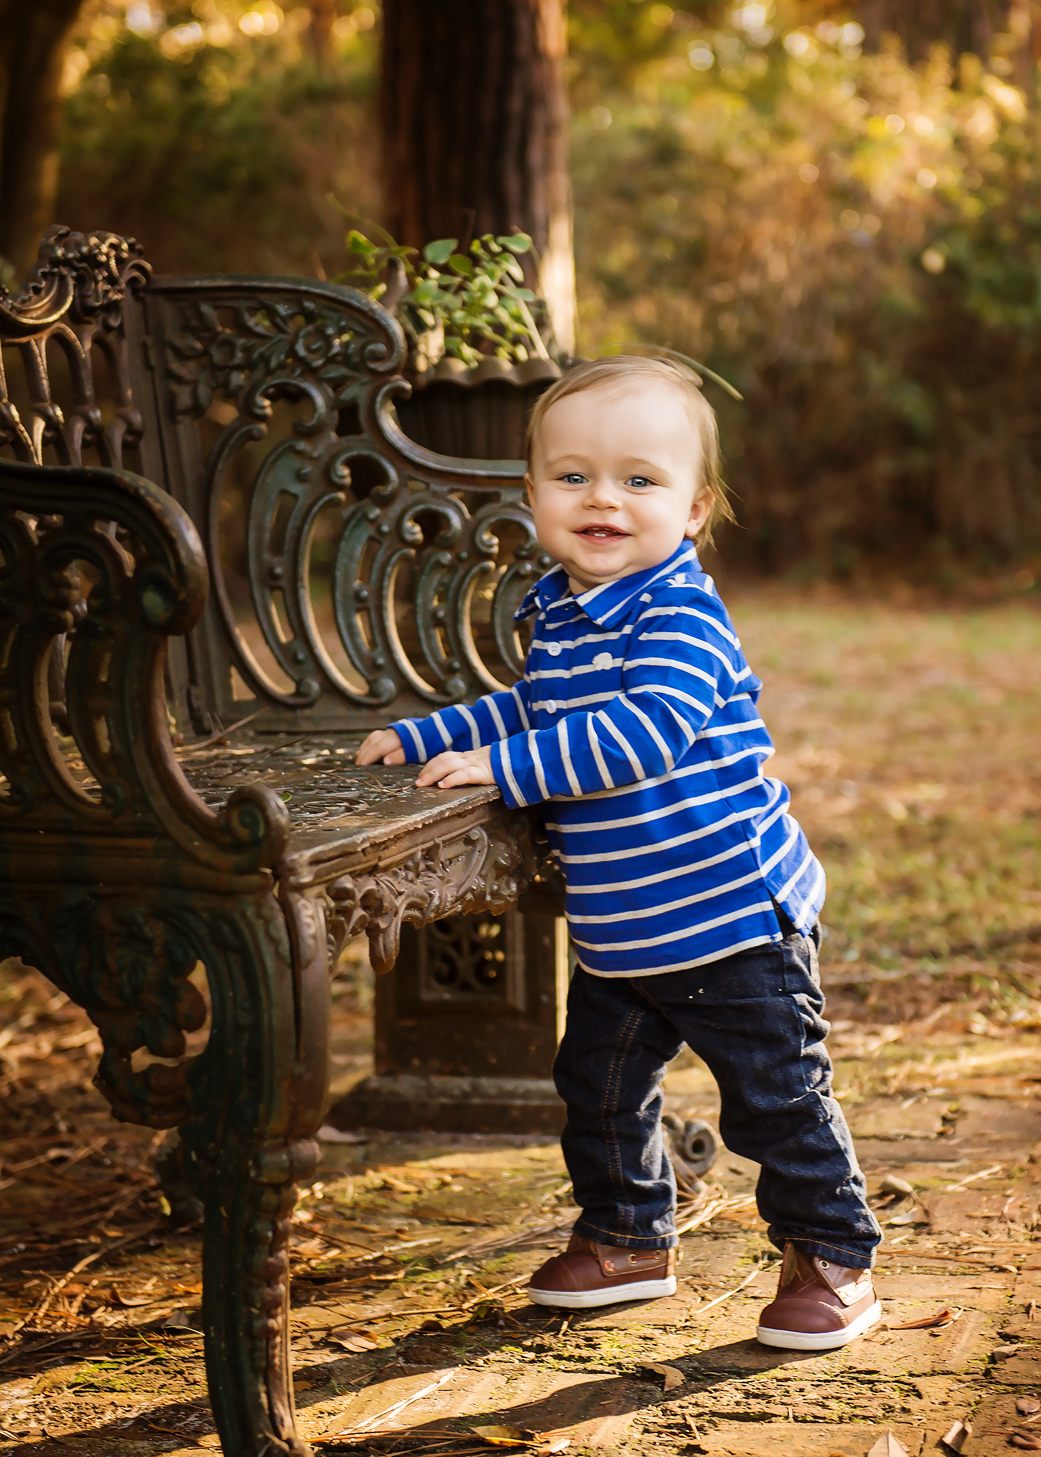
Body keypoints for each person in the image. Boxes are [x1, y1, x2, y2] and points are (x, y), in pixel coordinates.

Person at [356, 354, 881, 1349]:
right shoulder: (559, 608)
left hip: (730, 920)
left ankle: (833, 1254)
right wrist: (435, 736)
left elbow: (638, 735)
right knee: (594, 1086)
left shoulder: (679, 614)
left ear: (694, 508)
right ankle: (628, 1234)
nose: (604, 498)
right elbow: (533, 705)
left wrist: (503, 767)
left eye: (640, 479)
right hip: (624, 929)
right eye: (573, 476)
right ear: (532, 495)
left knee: (773, 1102)